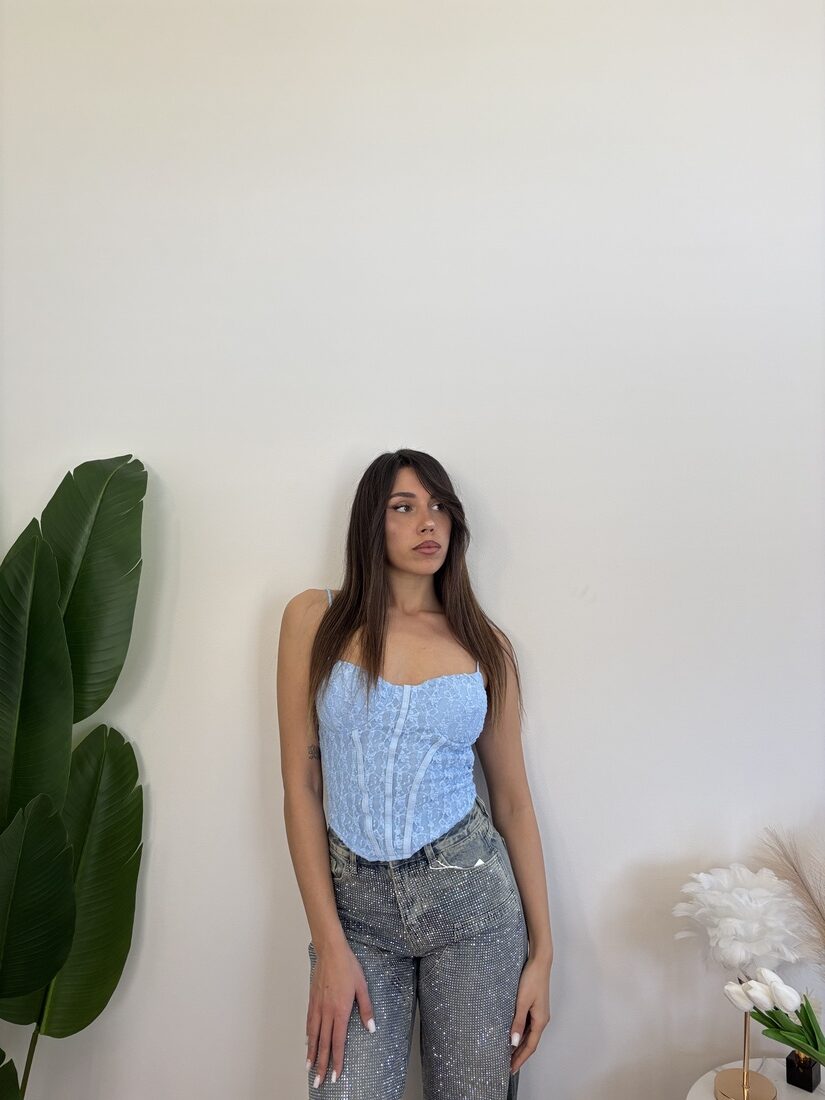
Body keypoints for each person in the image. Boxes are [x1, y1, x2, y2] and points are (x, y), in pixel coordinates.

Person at [277, 448, 553, 1099]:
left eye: (439, 508)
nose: (428, 522)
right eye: (403, 507)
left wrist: (543, 954)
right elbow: (300, 786)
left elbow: (513, 802)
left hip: (474, 909)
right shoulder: (313, 618)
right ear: (370, 522)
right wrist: (328, 944)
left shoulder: (485, 646)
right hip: (355, 917)